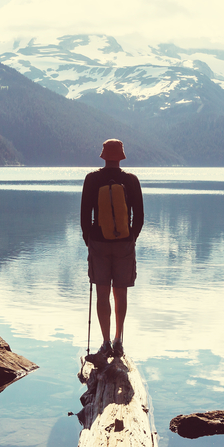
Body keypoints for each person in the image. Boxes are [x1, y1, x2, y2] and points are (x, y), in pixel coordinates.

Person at [81, 139, 143, 358]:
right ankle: (119, 341)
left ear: (103, 156)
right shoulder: (131, 180)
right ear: (121, 157)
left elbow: (85, 215)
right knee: (121, 293)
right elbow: (140, 216)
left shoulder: (91, 180)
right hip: (124, 244)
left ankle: (105, 342)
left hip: (99, 243)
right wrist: (130, 238)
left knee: (102, 294)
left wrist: (90, 240)